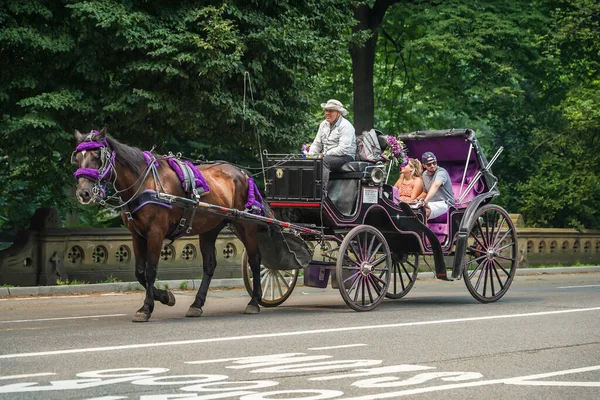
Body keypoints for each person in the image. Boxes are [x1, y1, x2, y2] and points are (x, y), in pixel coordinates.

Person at [308, 99, 356, 191]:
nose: (327, 113)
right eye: (326, 110)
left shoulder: (346, 126)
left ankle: (320, 192)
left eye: (331, 111)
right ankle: (303, 192)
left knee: (323, 162)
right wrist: (310, 155)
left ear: (339, 113)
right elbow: (317, 143)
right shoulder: (323, 124)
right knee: (307, 162)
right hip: (328, 155)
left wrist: (324, 155)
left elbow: (343, 149)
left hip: (345, 156)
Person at [417, 152, 455, 220]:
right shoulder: (424, 174)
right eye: (429, 164)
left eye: (434, 163)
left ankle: (422, 231)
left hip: (445, 203)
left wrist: (425, 201)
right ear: (424, 165)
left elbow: (436, 185)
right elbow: (425, 192)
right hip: (431, 203)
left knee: (423, 212)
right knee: (413, 210)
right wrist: (416, 200)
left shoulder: (441, 172)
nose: (432, 165)